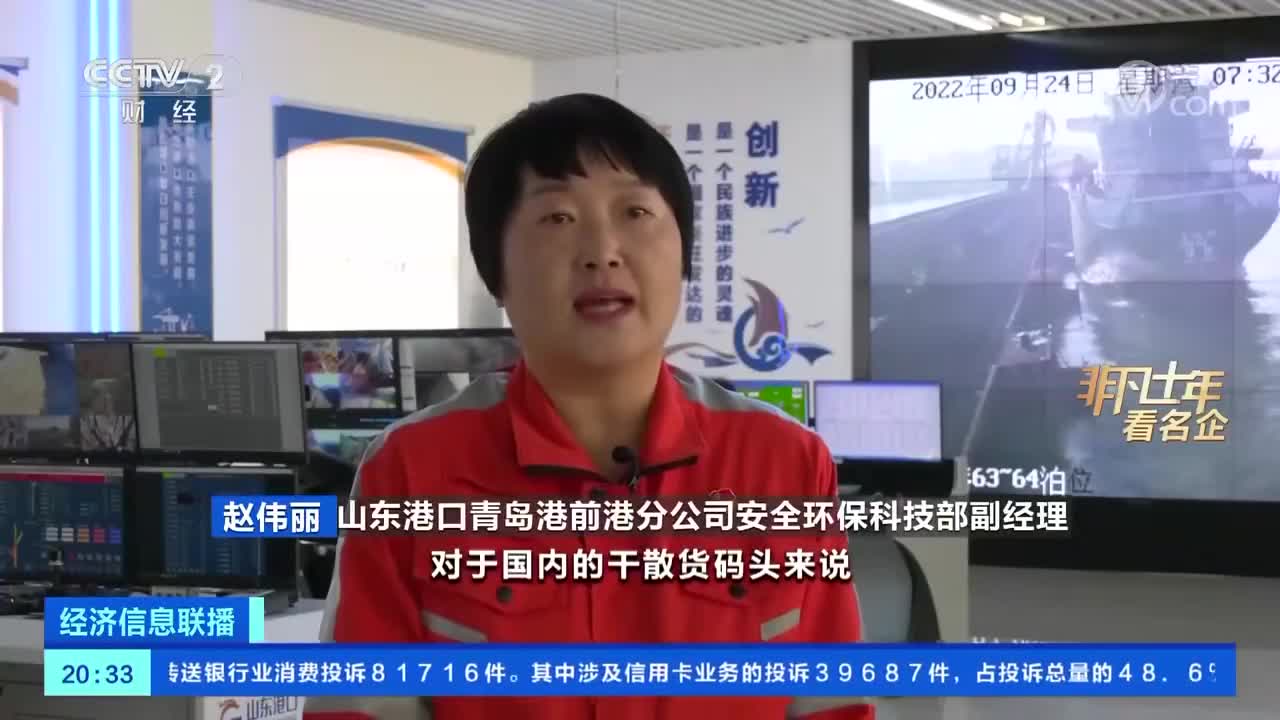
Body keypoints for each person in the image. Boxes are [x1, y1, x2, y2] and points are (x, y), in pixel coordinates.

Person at [303, 93, 873, 720]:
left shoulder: (785, 465)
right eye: (558, 218)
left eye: (635, 212)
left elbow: (833, 705)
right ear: (497, 272)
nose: (603, 250)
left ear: (682, 253)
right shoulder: (411, 472)